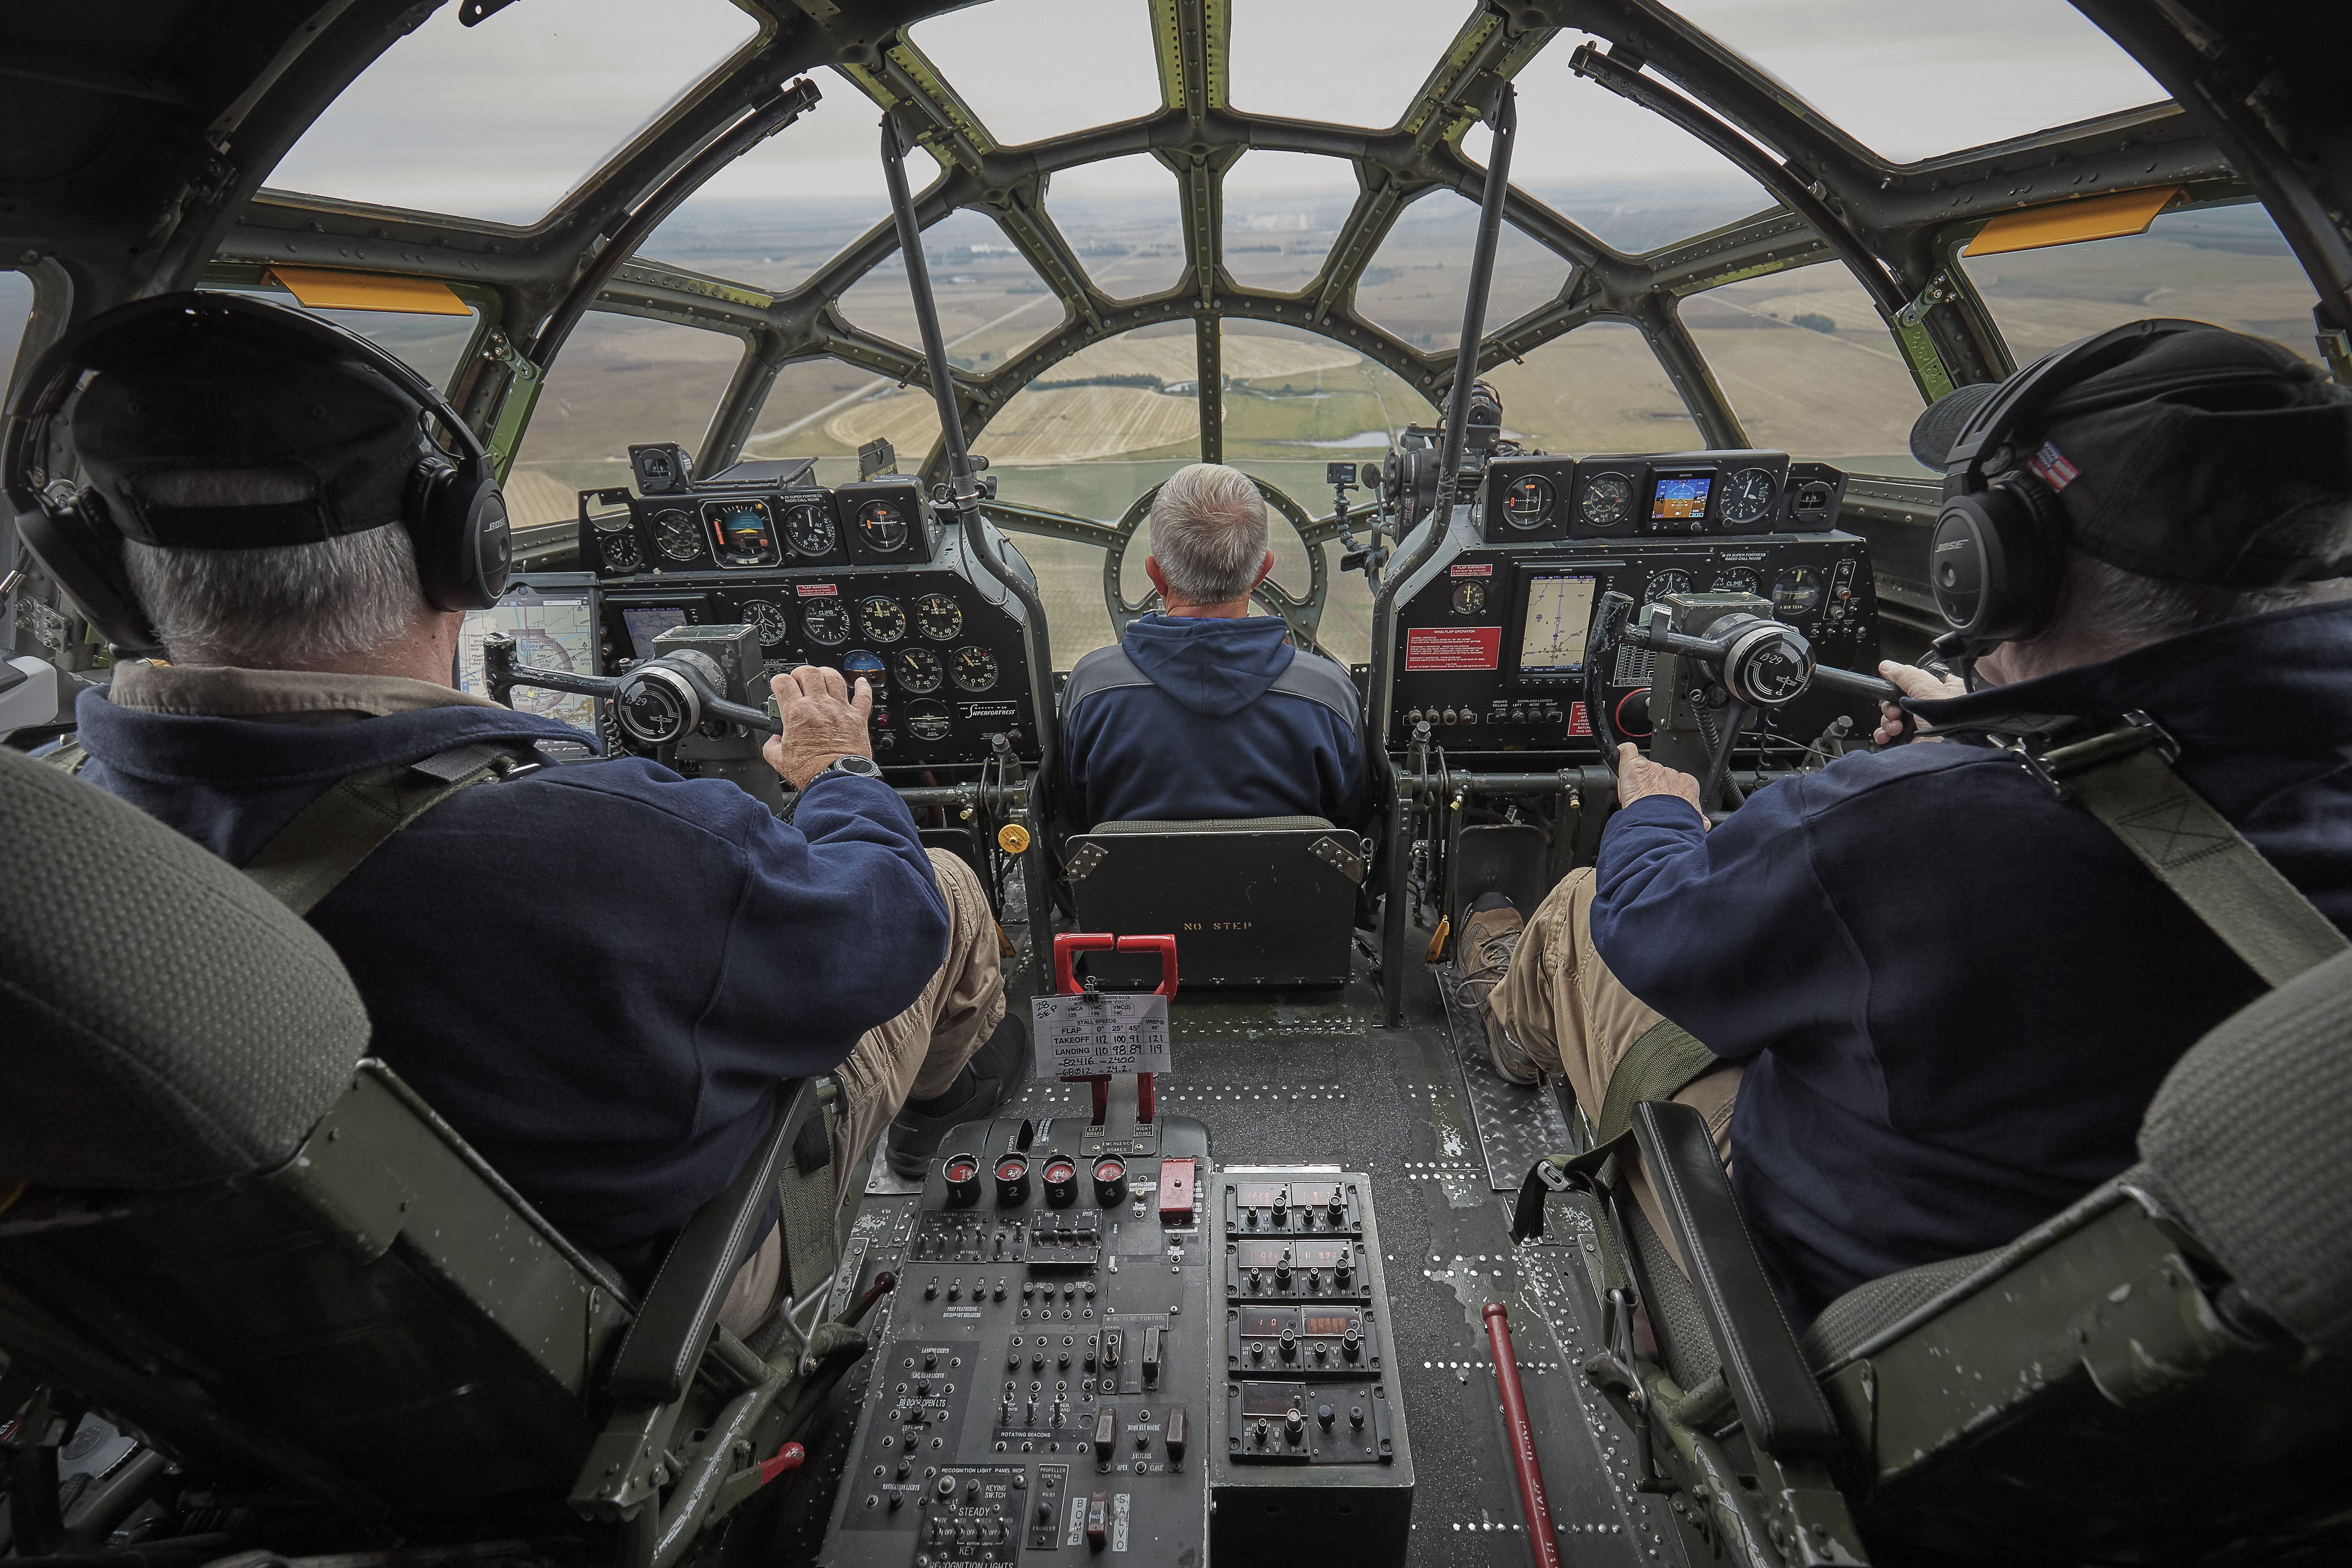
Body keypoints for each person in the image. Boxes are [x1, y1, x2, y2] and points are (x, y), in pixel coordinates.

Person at [49, 300, 1026, 1335]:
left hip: (256, 1333)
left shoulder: (52, 850)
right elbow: (887, 927)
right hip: (654, 1301)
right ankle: (933, 1142)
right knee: (945, 884)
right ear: (461, 553)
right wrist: (841, 772)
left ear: (100, 577)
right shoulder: (602, 842)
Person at [1459, 321, 2352, 1329]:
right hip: (2118, 1334)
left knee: (1584, 908)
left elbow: (1653, 929)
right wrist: (1996, 737)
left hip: (1837, 1297)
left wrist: (1661, 812)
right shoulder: (1951, 809)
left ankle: (1508, 1029)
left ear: (1999, 567)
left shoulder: (1916, 825)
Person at [1060, 463, 1367, 829]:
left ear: (1156, 575)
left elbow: (1070, 826)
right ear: (1262, 570)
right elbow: (1356, 830)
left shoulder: (1091, 693)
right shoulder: (1327, 696)